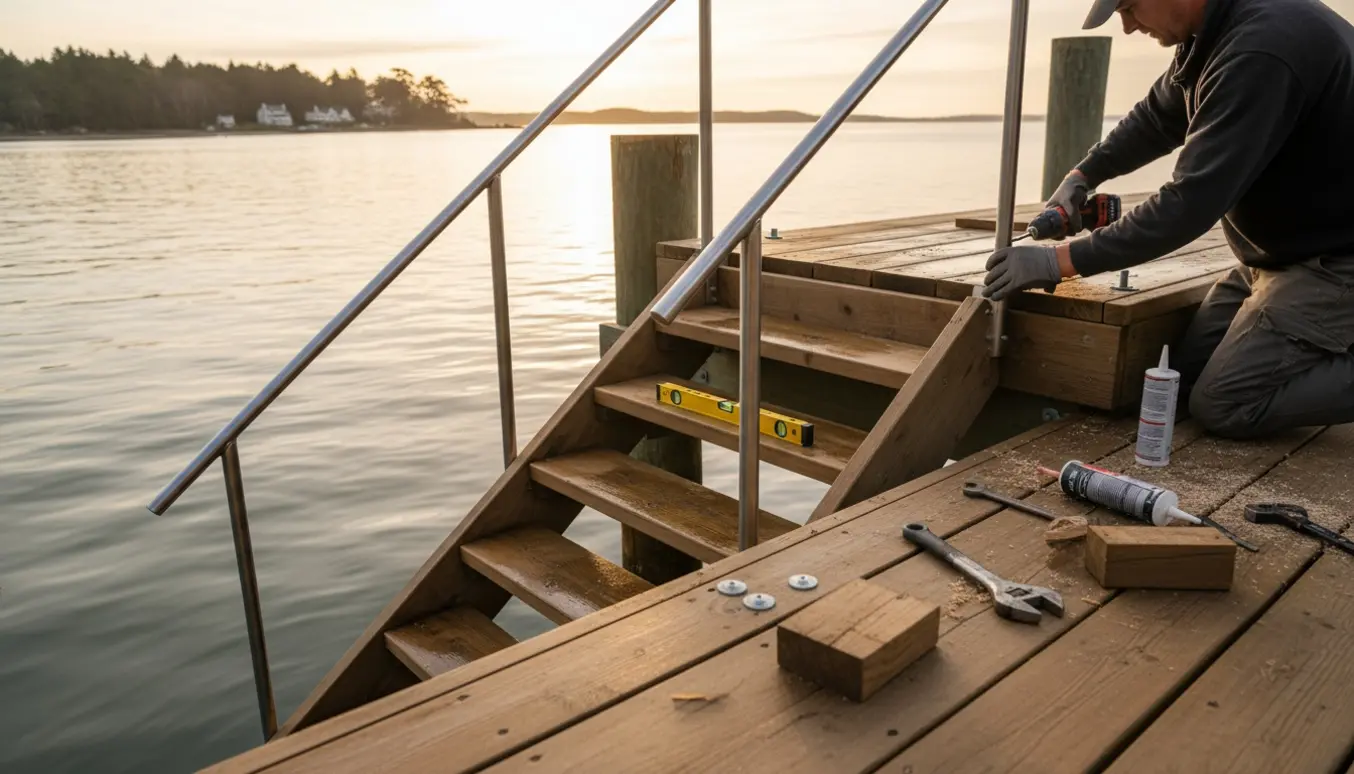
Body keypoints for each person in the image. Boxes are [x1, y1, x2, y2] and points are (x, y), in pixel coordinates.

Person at [981, 0, 1354, 439]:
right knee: (1184, 375)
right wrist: (1083, 175)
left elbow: (1188, 204)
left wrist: (1058, 262)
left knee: (1223, 403)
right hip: (1281, 256)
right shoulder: (1214, 34)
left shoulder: (1261, 50)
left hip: (1335, 261)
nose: (1127, 27)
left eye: (1129, 8)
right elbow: (1157, 118)